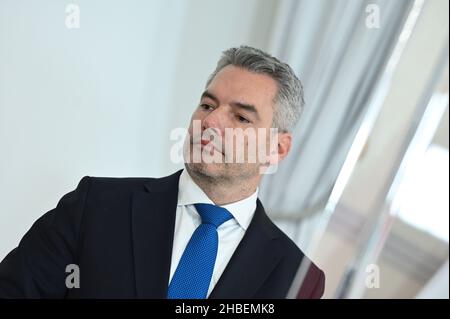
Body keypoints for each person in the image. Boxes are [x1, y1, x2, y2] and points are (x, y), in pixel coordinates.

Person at [0, 46, 325, 299]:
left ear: (277, 149)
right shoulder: (96, 205)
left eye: (241, 118)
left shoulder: (298, 278)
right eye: (208, 105)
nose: (210, 123)